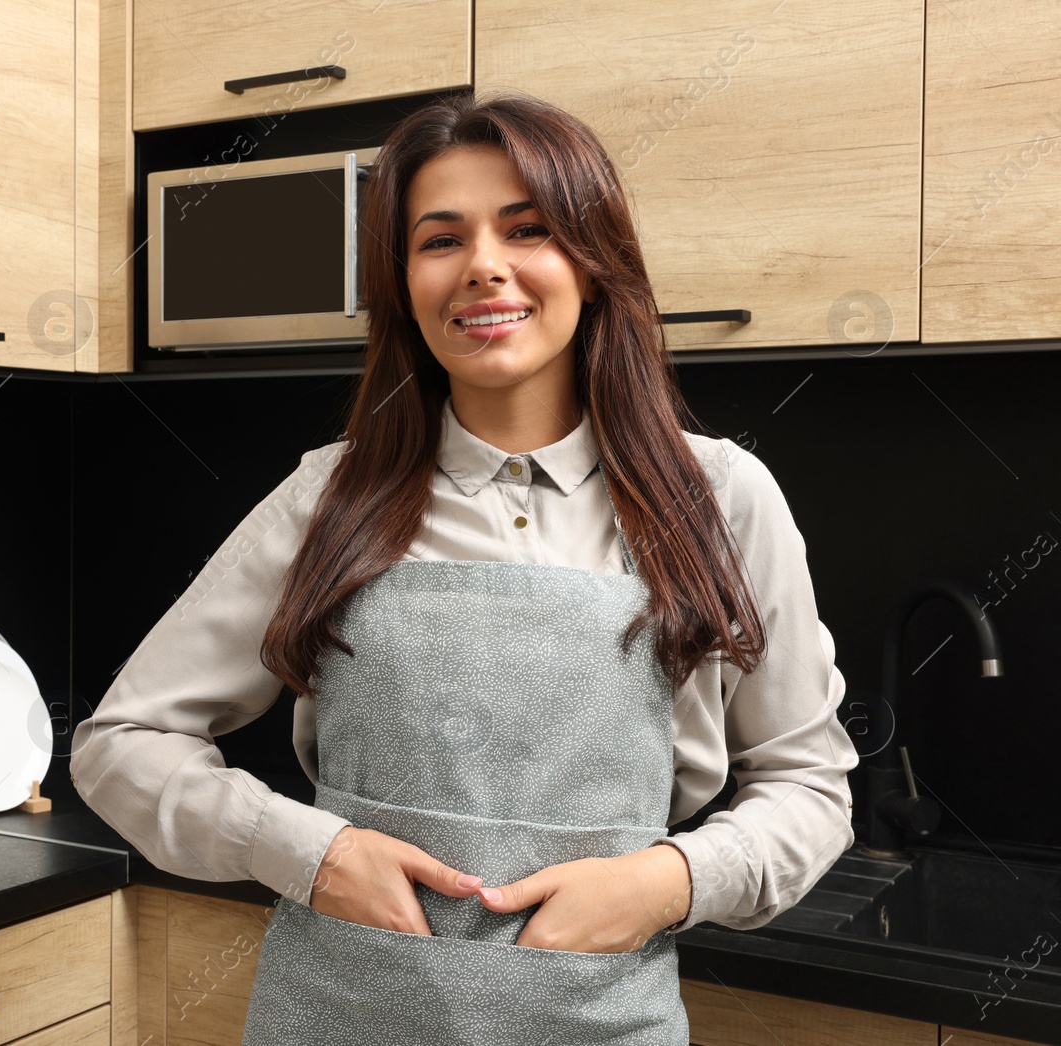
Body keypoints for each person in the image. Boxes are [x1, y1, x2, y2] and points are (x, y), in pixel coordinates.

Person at [70, 90, 858, 1044]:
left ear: (593, 261)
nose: (484, 267)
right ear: (404, 282)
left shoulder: (722, 498)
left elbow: (808, 788)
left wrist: (668, 882)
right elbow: (121, 742)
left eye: (528, 229)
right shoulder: (330, 497)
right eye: (440, 241)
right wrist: (309, 853)